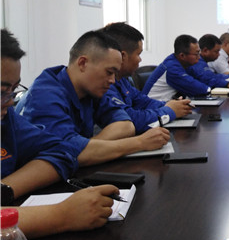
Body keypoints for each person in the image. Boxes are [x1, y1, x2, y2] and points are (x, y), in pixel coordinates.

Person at [1, 29, 119, 238]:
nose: (10, 102)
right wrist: (60, 215)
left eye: (14, 89)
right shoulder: (46, 92)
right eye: (2, 92)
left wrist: (5, 190)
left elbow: (63, 150)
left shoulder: (6, 118)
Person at [16, 30, 170, 166]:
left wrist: (87, 148)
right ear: (83, 63)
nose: (113, 80)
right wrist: (139, 143)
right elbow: (66, 154)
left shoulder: (91, 89)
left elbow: (126, 126)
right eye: (109, 72)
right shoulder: (45, 95)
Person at [100, 22, 192, 133]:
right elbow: (131, 120)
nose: (140, 60)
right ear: (123, 56)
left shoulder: (122, 80)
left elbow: (143, 102)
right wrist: (169, 110)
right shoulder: (104, 84)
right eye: (138, 54)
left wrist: (173, 105)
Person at [143, 35, 213, 101]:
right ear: (182, 55)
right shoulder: (171, 68)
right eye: (196, 54)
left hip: (166, 105)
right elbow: (193, 86)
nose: (199, 57)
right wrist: (210, 90)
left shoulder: (184, 64)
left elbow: (201, 78)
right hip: (153, 107)